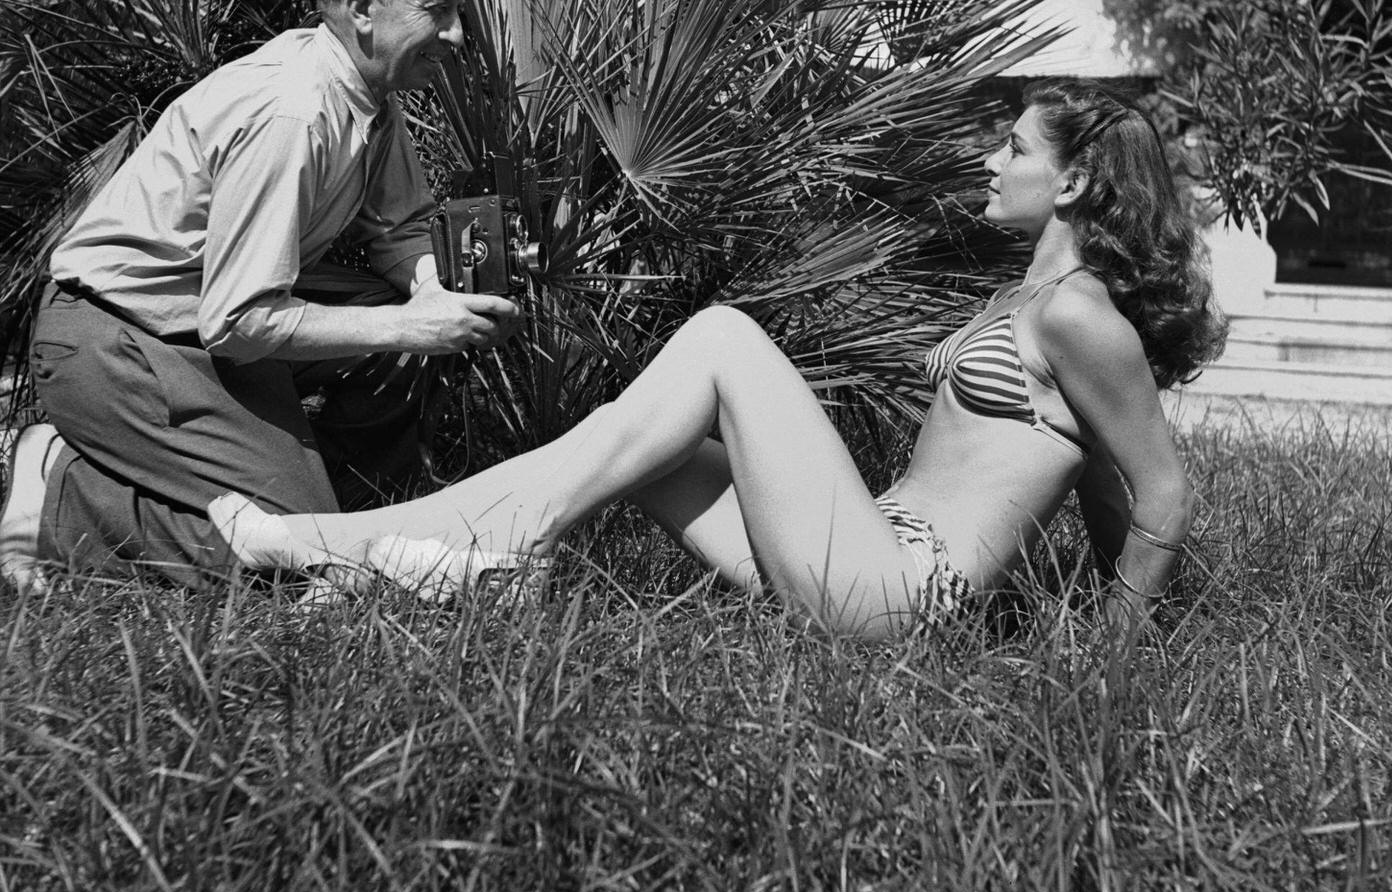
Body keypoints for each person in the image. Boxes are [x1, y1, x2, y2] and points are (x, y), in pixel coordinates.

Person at [212, 81, 1224, 640]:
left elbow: (1155, 492)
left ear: (1077, 178)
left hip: (903, 589)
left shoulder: (1085, 314)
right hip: (870, 543)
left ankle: (355, 544)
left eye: (1013, 147)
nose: (990, 162)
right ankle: (395, 556)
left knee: (723, 337)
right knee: (637, 446)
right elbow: (1095, 478)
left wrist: (1108, 660)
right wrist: (1092, 593)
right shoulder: (1029, 299)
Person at [0, 0, 519, 589]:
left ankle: (368, 521)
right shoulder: (294, 114)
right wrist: (410, 322)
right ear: (362, 9)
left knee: (407, 334)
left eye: (459, 14)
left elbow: (400, 231)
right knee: (285, 560)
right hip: (117, 334)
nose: (455, 35)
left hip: (202, 324)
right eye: (438, 11)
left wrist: (437, 291)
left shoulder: (368, 94)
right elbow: (239, 319)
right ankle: (62, 497)